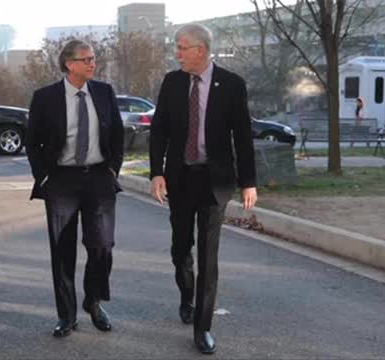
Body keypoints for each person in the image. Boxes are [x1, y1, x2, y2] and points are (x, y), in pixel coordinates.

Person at [149, 24, 257, 354]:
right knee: (181, 247)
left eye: (182, 47)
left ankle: (203, 327)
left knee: (210, 256)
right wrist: (156, 173)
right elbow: (159, 131)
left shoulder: (232, 84)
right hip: (180, 178)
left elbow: (242, 135)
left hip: (215, 181)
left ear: (201, 50)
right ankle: (187, 295)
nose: (177, 53)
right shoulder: (172, 82)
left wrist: (248, 182)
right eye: (176, 48)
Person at [26, 40, 124, 338]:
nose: (92, 63)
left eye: (94, 58)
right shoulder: (45, 97)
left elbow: (118, 135)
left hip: (98, 178)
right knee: (62, 251)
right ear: (69, 64)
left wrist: (111, 170)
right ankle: (66, 316)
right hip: (61, 180)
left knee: (102, 247)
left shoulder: (105, 92)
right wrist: (44, 176)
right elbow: (33, 141)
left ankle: (93, 301)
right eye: (86, 59)